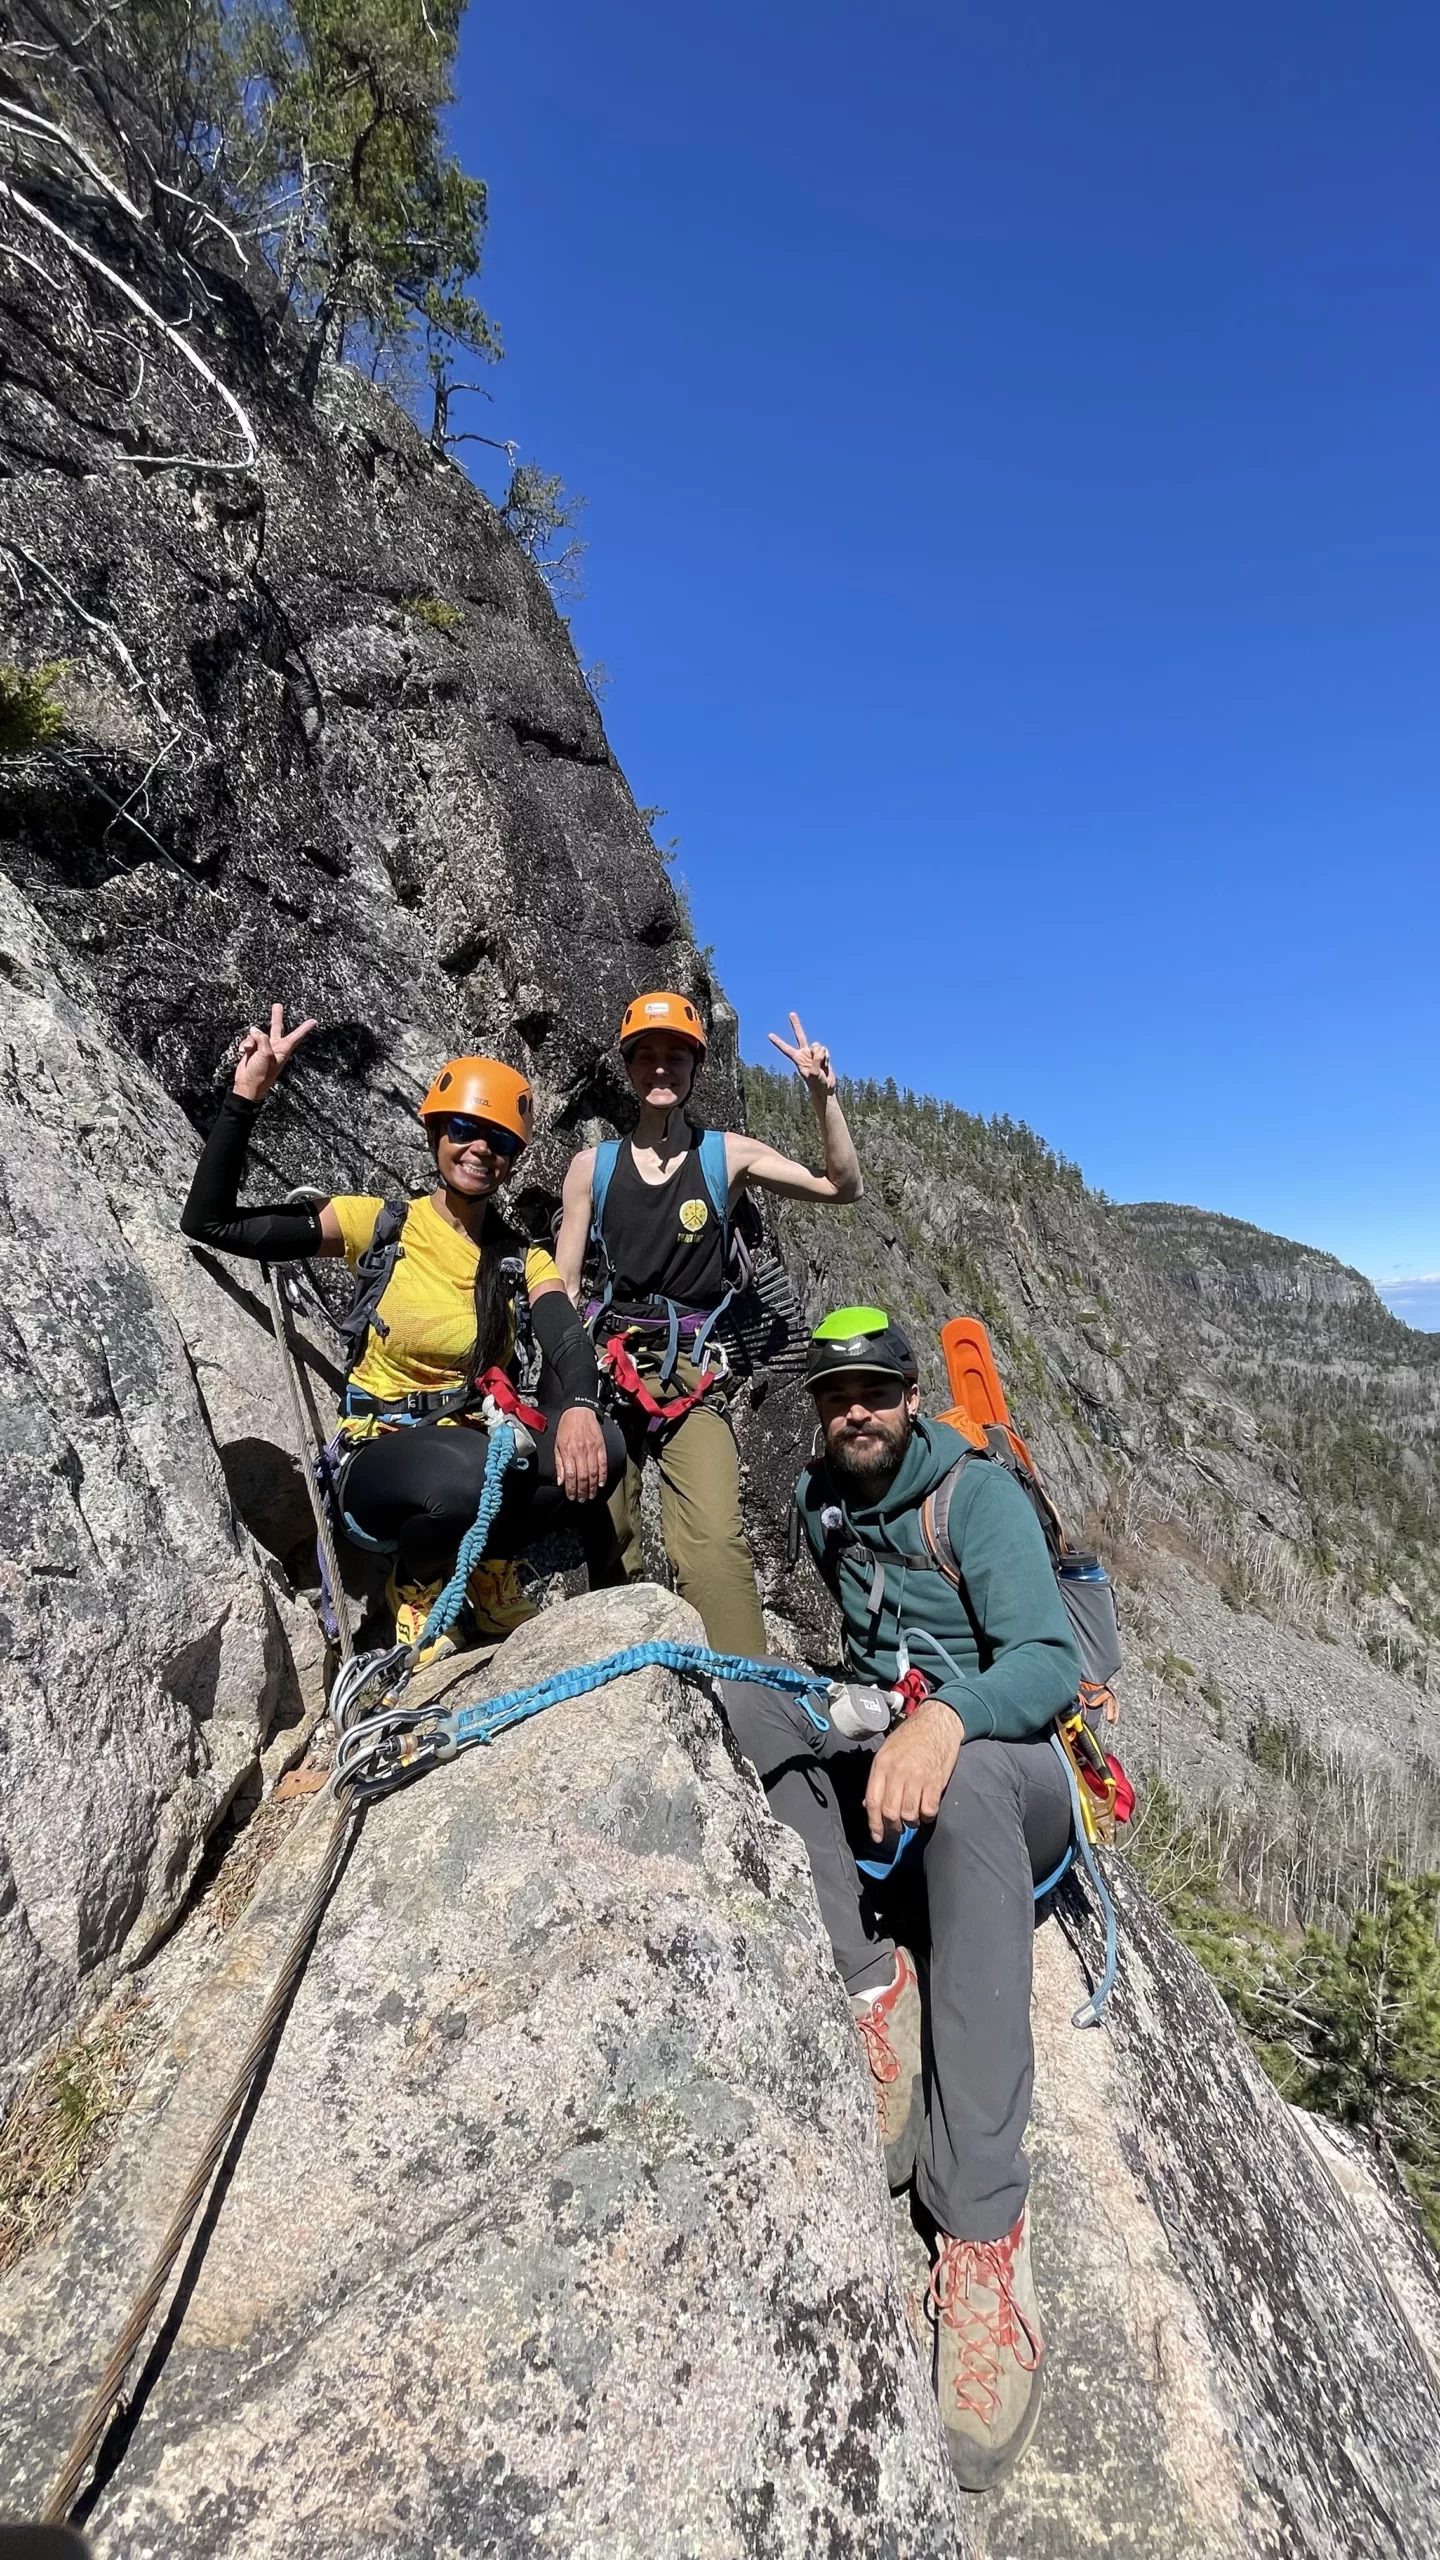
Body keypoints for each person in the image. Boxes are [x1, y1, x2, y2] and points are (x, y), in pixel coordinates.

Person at [717, 1307, 1082, 2491]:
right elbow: (869, 1647)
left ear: (913, 1393)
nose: (854, 1411)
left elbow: (1045, 1662)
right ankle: (878, 1982)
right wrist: (876, 1710)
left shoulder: (972, 1499)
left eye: (874, 1389)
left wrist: (942, 1716)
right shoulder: (820, 1503)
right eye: (835, 1396)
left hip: (1011, 1768)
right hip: (907, 1720)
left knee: (966, 1778)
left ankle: (981, 2227)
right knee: (747, 1705)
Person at [182, 1004, 626, 1651]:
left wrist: (582, 1407)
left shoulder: (517, 1258)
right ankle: (414, 1592)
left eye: (499, 1140)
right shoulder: (382, 1225)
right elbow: (212, 1224)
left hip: (473, 1446)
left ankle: (486, 1572)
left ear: (513, 1159)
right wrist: (246, 1098)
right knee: (468, 1475)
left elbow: (562, 1332)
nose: (480, 1148)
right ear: (436, 1132)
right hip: (378, 1458)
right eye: (466, 1129)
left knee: (605, 1447)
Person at [554, 992, 863, 1656]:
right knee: (605, 1527)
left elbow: (843, 1187)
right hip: (610, 1363)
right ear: (629, 1068)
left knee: (716, 1542)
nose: (660, 1070)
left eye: (675, 1057)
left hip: (694, 1368)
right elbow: (564, 1289)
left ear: (695, 1068)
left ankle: (750, 1697)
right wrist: (571, 1396)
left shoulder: (728, 1158)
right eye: (647, 1057)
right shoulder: (590, 1170)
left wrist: (822, 1096)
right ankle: (625, 1670)